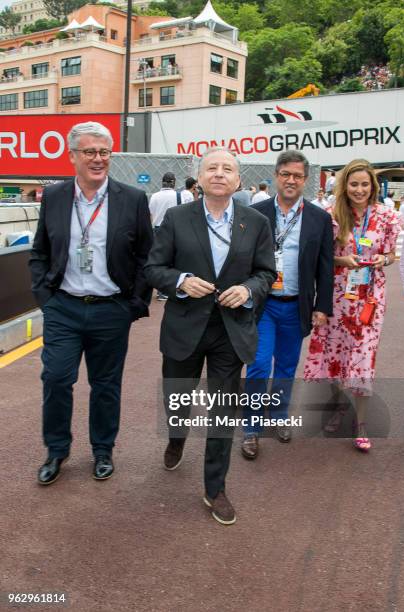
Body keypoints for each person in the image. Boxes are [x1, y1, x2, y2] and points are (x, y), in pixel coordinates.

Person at [145, 147, 275, 525]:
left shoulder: (255, 222)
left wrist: (249, 290)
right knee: (177, 398)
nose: (219, 173)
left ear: (238, 180)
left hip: (230, 330)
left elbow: (266, 273)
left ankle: (214, 487)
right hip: (185, 325)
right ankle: (176, 435)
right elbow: (154, 268)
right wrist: (182, 281)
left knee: (222, 410)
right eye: (211, 168)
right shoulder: (176, 218)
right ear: (199, 178)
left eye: (227, 168)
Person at [29, 121, 153, 485]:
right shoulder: (53, 197)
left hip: (110, 309)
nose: (98, 159)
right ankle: (56, 450)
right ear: (72, 157)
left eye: (104, 152)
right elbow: (40, 252)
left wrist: (134, 304)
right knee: (55, 378)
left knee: (106, 385)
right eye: (89, 152)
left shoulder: (132, 198)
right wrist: (45, 300)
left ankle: (102, 450)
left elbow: (147, 254)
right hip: (63, 307)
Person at [241, 150, 334, 459]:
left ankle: (279, 416)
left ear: (305, 180)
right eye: (286, 174)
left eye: (297, 176)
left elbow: (325, 266)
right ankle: (252, 428)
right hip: (264, 304)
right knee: (257, 365)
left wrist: (322, 305)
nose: (291, 180)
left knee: (285, 367)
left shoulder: (320, 218)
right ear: (276, 176)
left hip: (297, 306)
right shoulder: (257, 212)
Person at [304, 159, 400, 452]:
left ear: (373, 186)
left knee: (362, 358)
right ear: (345, 185)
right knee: (334, 355)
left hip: (370, 299)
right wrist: (341, 261)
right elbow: (321, 257)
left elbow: (391, 254)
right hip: (337, 297)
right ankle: (337, 405)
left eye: (364, 184)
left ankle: (361, 424)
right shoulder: (330, 216)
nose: (359, 190)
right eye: (354, 184)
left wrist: (383, 259)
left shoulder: (387, 217)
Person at [149, 172, 179, 300]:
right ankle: (172, 288)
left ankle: (161, 291)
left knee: (159, 260)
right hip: (175, 229)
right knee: (174, 259)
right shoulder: (177, 196)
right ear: (174, 182)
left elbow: (150, 214)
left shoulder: (155, 196)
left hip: (157, 229)